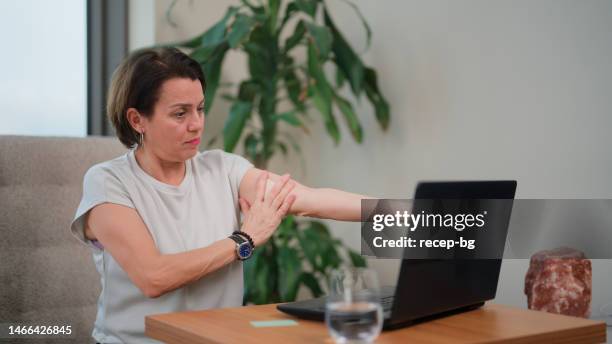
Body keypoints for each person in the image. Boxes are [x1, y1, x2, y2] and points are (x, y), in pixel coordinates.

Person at [71, 47, 368, 343]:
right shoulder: (108, 181)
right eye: (180, 113)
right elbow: (153, 278)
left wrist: (409, 214)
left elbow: (310, 201)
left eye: (200, 108)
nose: (197, 124)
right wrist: (243, 240)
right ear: (137, 120)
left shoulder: (223, 168)